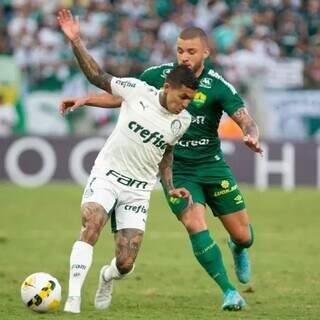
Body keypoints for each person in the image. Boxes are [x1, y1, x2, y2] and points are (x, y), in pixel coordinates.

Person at [60, 22, 263, 311]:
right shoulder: (157, 77)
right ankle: (229, 291)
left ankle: (238, 247)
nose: (184, 57)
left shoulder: (218, 87)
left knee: (243, 235)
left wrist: (252, 135)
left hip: (211, 165)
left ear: (205, 52)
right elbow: (122, 95)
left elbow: (245, 119)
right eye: (180, 50)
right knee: (194, 224)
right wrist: (87, 99)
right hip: (179, 171)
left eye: (191, 51)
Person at [57, 9, 198, 314]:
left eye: (190, 100)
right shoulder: (137, 90)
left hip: (139, 189)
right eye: (183, 97)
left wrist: (171, 186)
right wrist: (76, 41)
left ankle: (106, 277)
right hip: (108, 174)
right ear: (167, 88)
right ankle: (73, 299)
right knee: (92, 222)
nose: (185, 105)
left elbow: (166, 153)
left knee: (125, 262)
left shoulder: (182, 121)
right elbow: (97, 76)